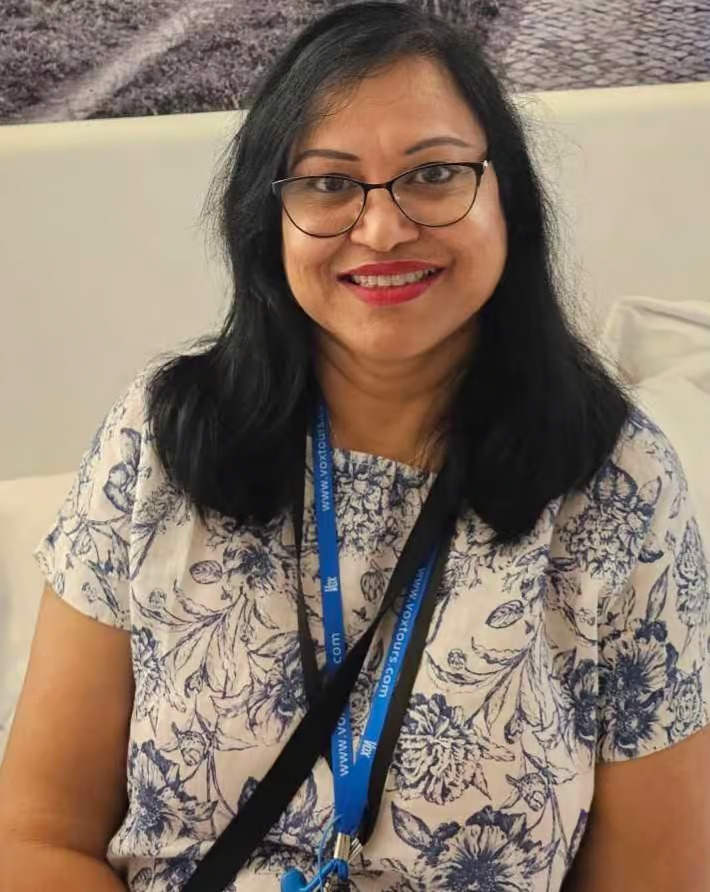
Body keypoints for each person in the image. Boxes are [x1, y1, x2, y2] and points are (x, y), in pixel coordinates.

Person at [1, 2, 709, 890]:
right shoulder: (162, 439)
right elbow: (36, 835)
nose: (381, 230)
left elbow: (657, 874)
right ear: (270, 218)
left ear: (508, 199)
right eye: (330, 184)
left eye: (435, 174)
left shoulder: (619, 481)